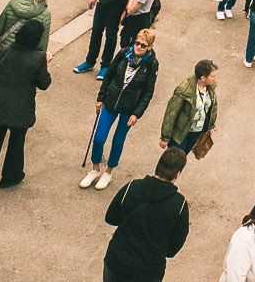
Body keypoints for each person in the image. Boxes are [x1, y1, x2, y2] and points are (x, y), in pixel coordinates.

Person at [0, 17, 50, 200]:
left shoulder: (4, 51)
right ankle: (11, 176)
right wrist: (47, 64)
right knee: (16, 144)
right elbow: (44, 83)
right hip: (22, 109)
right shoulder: (38, 58)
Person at [85, 28, 159, 190]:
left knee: (118, 140)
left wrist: (137, 113)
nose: (138, 47)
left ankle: (108, 172)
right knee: (99, 138)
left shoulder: (152, 64)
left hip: (129, 108)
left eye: (143, 45)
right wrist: (100, 98)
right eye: (137, 43)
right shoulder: (124, 53)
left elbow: (148, 92)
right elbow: (109, 75)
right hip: (111, 102)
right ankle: (95, 169)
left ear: (150, 47)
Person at [104, 145, 191, 282]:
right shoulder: (179, 205)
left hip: (117, 262)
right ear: (177, 174)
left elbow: (111, 218)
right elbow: (173, 248)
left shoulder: (132, 187)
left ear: (158, 166)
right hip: (149, 271)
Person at [159, 58, 220, 155]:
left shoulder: (210, 88)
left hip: (196, 131)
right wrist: (165, 137)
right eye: (212, 76)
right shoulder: (184, 90)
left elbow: (213, 108)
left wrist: (211, 126)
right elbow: (171, 114)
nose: (215, 78)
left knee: (183, 157)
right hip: (181, 133)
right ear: (203, 78)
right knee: (174, 159)